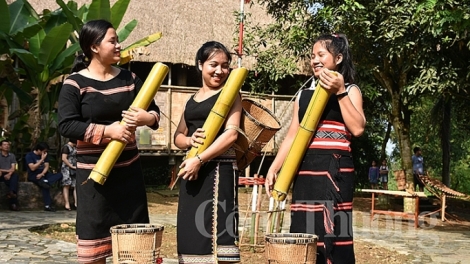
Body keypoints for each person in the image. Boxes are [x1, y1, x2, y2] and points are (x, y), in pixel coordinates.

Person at [57, 19, 161, 264]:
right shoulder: (74, 84)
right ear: (94, 47)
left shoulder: (130, 79)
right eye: (112, 41)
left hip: (129, 177)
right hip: (93, 179)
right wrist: (108, 132)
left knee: (135, 251)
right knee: (95, 250)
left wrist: (146, 117)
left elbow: (154, 113)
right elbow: (66, 125)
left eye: (117, 40)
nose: (118, 45)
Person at [265, 33, 365, 264]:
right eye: (312, 56)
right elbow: (292, 135)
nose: (315, 60)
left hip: (335, 170)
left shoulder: (350, 91)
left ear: (338, 58)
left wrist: (339, 91)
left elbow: (358, 128)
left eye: (321, 55)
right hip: (306, 170)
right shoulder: (304, 95)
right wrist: (275, 167)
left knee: (334, 230)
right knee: (304, 229)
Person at [173, 41, 242, 263]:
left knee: (220, 235)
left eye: (225, 66)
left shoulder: (231, 95)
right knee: (190, 231)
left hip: (219, 171)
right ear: (200, 65)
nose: (219, 71)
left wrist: (200, 159)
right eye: (213, 64)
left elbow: (231, 135)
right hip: (191, 173)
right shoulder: (191, 101)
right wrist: (189, 141)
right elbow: (178, 136)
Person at [25, 142, 63, 212]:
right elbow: (32, 168)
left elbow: (46, 166)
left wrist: (42, 174)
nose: (45, 153)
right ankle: (47, 205)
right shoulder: (29, 156)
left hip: (43, 174)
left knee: (60, 175)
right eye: (44, 151)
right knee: (45, 186)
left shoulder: (45, 155)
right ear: (39, 150)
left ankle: (47, 181)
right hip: (34, 175)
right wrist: (42, 159)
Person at [0, 139, 19, 211]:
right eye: (4, 145)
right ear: (1, 147)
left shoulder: (12, 156)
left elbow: (13, 168)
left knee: (15, 177)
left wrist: (9, 173)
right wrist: (6, 171)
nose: (6, 146)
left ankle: (12, 197)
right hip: (1, 174)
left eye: (8, 145)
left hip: (9, 174)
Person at [61, 139, 77, 210]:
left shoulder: (75, 147)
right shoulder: (66, 147)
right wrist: (71, 166)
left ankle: (76, 203)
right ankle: (67, 204)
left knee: (75, 185)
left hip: (74, 167)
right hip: (67, 168)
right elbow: (64, 158)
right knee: (66, 185)